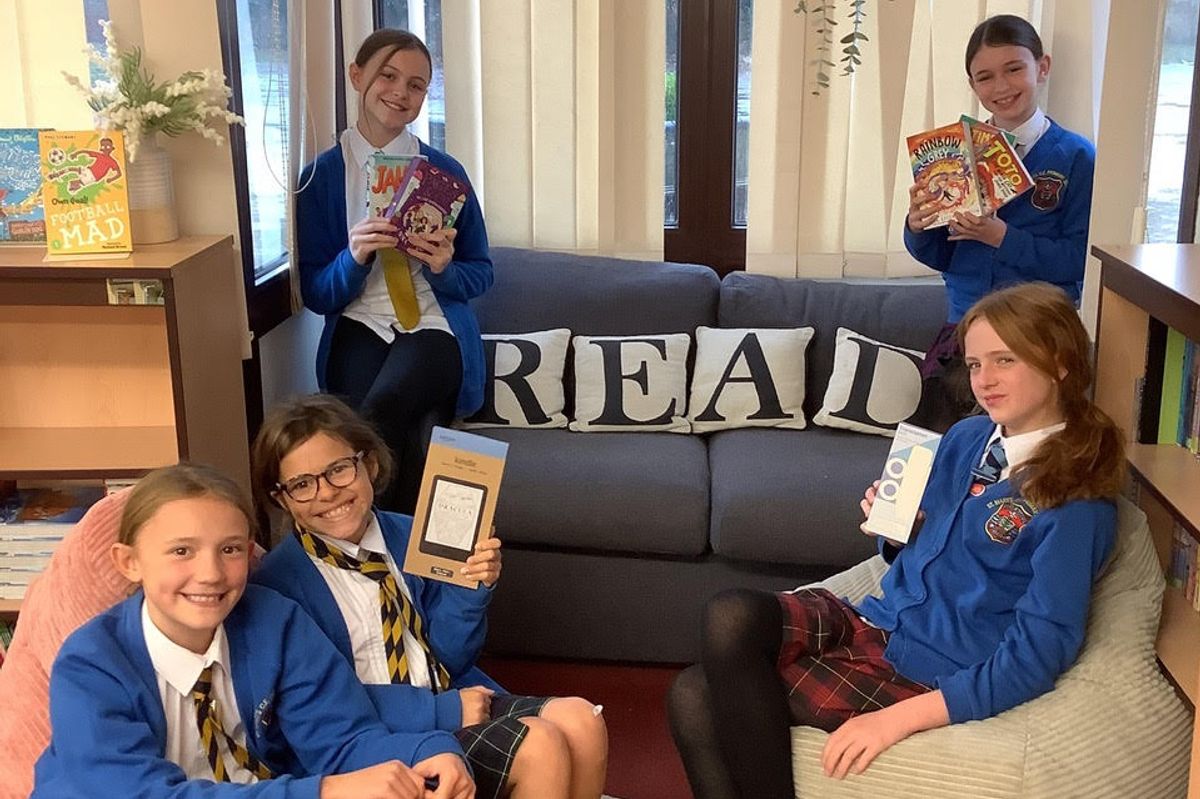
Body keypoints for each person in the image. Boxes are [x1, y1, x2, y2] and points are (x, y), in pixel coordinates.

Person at [667, 282, 1125, 798]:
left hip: (930, 669)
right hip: (878, 621)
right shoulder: (967, 437)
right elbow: (925, 546)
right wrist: (900, 530)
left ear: (1061, 362)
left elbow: (1037, 656)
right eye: (975, 365)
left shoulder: (1076, 502)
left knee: (695, 693)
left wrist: (898, 720)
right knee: (729, 613)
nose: (985, 381)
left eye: (1005, 360)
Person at [32, 463, 474, 799]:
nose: (210, 574)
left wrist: (427, 753)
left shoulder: (275, 622)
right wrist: (323, 791)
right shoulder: (91, 664)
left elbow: (342, 739)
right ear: (130, 562)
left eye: (229, 550)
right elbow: (142, 794)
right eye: (181, 551)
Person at [250, 394, 609, 799]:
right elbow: (317, 709)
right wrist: (439, 711)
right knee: (539, 745)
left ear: (368, 464)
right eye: (302, 484)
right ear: (282, 498)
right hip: (376, 731)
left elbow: (450, 657)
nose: (327, 492)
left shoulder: (411, 535)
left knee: (583, 721)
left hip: (445, 689)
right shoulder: (278, 585)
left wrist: (470, 586)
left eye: (339, 470)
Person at [296, 28, 493, 513]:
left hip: (432, 326)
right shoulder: (320, 178)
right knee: (396, 433)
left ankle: (362, 548)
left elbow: (482, 272)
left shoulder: (445, 173)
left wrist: (445, 268)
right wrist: (354, 256)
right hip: (360, 323)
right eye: (388, 76)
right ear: (357, 75)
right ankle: (405, 567)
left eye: (417, 85)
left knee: (374, 418)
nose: (400, 93)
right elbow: (318, 295)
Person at [905, 14, 1094, 432]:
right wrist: (918, 226)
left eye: (1014, 69)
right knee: (941, 451)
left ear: (1041, 67)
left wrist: (1003, 237)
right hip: (966, 332)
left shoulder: (1076, 157)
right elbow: (941, 254)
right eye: (985, 77)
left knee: (1022, 458)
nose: (1002, 87)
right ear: (973, 86)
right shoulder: (953, 153)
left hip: (1037, 337)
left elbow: (1080, 261)